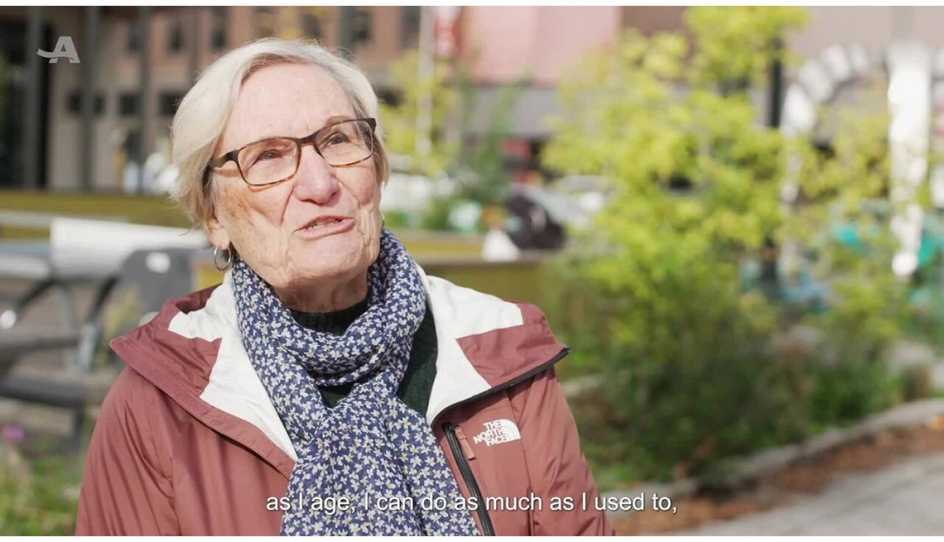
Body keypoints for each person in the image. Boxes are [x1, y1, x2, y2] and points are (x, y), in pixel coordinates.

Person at [75, 38, 612, 536]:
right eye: (268, 156)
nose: (319, 183)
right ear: (213, 214)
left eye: (337, 141)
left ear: (376, 170)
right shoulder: (158, 402)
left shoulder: (502, 356)